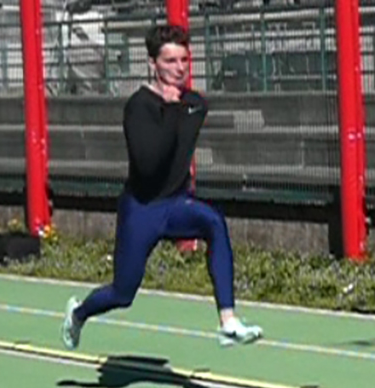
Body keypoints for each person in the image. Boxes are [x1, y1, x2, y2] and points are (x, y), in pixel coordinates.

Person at [61, 24, 262, 350]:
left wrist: (179, 108)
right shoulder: (139, 107)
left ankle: (228, 321)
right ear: (152, 63)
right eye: (170, 61)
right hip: (141, 209)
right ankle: (79, 313)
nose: (179, 68)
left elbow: (187, 129)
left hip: (175, 205)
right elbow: (148, 164)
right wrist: (169, 110)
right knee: (123, 293)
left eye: (184, 60)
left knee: (213, 222)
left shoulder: (195, 104)